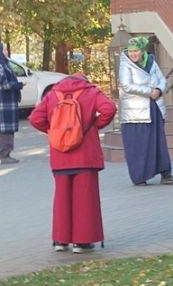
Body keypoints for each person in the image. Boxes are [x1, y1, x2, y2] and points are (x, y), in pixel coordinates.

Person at [29, 73, 116, 253]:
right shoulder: (90, 92)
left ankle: (61, 240)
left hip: (60, 155)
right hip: (85, 155)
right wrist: (94, 126)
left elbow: (35, 118)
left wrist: (55, 131)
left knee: (62, 199)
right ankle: (82, 242)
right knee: (84, 199)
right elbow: (109, 109)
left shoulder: (53, 94)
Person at [119, 36, 173, 186]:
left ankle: (166, 173)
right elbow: (126, 85)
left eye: (136, 51)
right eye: (131, 51)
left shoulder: (151, 61)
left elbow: (161, 79)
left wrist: (159, 89)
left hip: (154, 107)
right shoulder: (125, 64)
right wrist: (149, 91)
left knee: (159, 142)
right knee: (139, 144)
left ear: (142, 50)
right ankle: (140, 176)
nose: (133, 54)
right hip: (135, 113)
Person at [0, 42, 24, 162]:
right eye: (4, 49)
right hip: (2, 101)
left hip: (7, 100)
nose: (6, 51)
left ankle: (7, 153)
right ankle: (4, 154)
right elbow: (5, 85)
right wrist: (18, 85)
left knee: (9, 128)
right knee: (4, 128)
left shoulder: (4, 63)